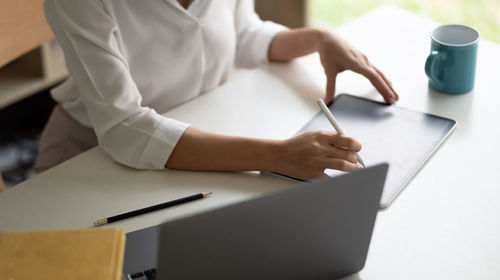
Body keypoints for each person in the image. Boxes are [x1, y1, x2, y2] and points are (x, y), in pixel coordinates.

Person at [35, 0, 398, 180]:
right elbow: (123, 128)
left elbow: (242, 34)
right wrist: (277, 156)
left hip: (193, 144)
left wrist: (320, 39)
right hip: (87, 157)